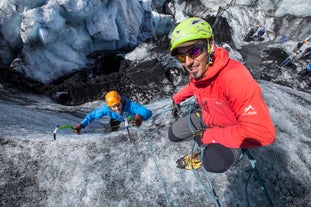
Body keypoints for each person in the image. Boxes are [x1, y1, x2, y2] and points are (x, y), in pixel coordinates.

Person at [168, 17, 276, 173]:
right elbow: (194, 86)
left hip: (231, 128)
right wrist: (176, 99)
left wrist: (208, 136)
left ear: (210, 46)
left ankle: (231, 153)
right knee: (173, 134)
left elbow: (263, 132)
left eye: (194, 51)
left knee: (214, 162)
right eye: (181, 56)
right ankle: (207, 129)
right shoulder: (201, 70)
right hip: (207, 117)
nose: (188, 62)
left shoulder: (234, 77)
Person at [73, 90, 152, 134]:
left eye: (118, 105)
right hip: (116, 119)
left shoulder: (130, 106)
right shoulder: (106, 109)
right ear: (109, 107)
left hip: (133, 119)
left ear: (121, 101)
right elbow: (92, 115)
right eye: (113, 107)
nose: (117, 109)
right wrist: (81, 125)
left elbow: (147, 112)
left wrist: (139, 118)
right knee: (111, 132)